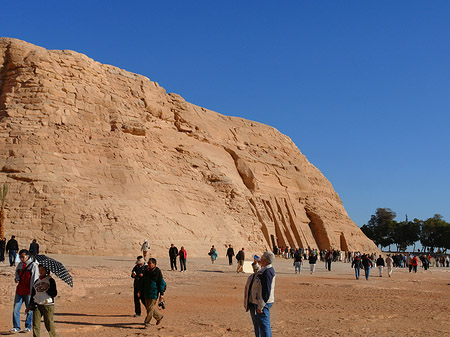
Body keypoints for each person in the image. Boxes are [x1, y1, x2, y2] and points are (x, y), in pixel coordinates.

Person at [244, 251, 275, 337]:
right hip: (257, 302)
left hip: (262, 303)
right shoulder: (265, 269)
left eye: (262, 258)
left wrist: (261, 306)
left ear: (265, 260)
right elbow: (257, 273)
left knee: (264, 327)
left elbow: (266, 291)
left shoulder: (268, 272)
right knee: (258, 326)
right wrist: (255, 264)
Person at [10, 249, 39, 333]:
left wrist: (33, 292)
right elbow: (17, 275)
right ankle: (16, 327)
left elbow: (35, 279)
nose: (21, 259)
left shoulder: (33, 266)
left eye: (22, 257)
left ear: (27, 256)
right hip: (19, 291)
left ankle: (28, 326)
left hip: (28, 292)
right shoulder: (19, 265)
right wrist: (17, 279)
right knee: (16, 309)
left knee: (29, 309)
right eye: (20, 257)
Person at [26, 264, 58, 337]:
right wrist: (30, 305)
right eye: (39, 270)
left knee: (49, 324)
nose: (41, 272)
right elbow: (33, 294)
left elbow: (54, 293)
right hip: (37, 305)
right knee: (35, 325)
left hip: (48, 305)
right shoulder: (37, 281)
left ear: (47, 270)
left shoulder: (50, 280)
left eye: (43, 270)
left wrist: (47, 289)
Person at [137, 258, 166, 329]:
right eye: (148, 263)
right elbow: (142, 281)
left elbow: (161, 283)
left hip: (154, 292)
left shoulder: (157, 272)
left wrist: (161, 294)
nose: (149, 264)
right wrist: (139, 290)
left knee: (150, 308)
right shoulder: (146, 271)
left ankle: (147, 323)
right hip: (146, 292)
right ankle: (159, 316)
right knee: (149, 308)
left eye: (150, 263)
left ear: (154, 264)